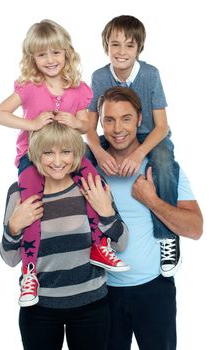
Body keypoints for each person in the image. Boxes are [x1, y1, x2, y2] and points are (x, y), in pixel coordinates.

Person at [0, 19, 129, 307]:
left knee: (95, 184)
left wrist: (76, 123)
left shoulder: (78, 89)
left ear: (67, 52)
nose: (50, 60)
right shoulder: (30, 87)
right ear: (32, 58)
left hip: (71, 157)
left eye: (55, 52)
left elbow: (84, 126)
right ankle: (30, 271)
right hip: (32, 157)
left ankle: (99, 246)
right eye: (42, 54)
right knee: (31, 205)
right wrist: (30, 123)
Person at [91, 86, 203, 350]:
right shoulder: (89, 168)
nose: (118, 128)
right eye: (109, 119)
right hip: (100, 292)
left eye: (126, 118)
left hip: (154, 290)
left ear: (140, 119)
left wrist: (151, 200)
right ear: (100, 122)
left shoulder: (162, 168)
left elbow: (195, 229)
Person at [0, 121, 128, 350]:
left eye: (66, 151)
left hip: (92, 305)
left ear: (76, 153)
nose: (57, 162)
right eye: (48, 152)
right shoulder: (19, 193)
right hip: (39, 309)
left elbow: (121, 243)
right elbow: (10, 259)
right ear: (35, 154)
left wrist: (106, 212)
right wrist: (14, 227)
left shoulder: (92, 185)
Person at [86, 15, 181, 277]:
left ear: (139, 48)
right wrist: (100, 152)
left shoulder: (150, 75)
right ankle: (95, 238)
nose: (121, 52)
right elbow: (89, 127)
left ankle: (167, 236)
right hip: (111, 135)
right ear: (106, 46)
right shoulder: (99, 76)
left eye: (129, 45)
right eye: (115, 44)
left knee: (162, 162)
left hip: (150, 136)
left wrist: (140, 153)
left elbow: (161, 126)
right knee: (80, 157)